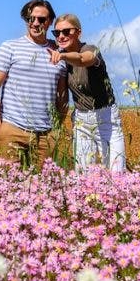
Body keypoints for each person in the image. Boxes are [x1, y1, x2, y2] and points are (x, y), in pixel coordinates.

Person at [0, 0, 68, 166]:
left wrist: (56, 129)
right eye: (31, 18)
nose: (35, 23)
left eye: (41, 19)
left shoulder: (59, 53)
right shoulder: (9, 47)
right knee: (9, 184)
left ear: (50, 22)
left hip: (46, 135)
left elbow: (62, 95)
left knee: (44, 187)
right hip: (13, 130)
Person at [48, 13, 126, 171]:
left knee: (116, 173)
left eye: (66, 31)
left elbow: (84, 59)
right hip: (81, 121)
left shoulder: (90, 49)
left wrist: (62, 56)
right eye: (57, 33)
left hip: (106, 119)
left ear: (79, 32)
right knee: (83, 176)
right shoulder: (60, 57)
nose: (61, 36)